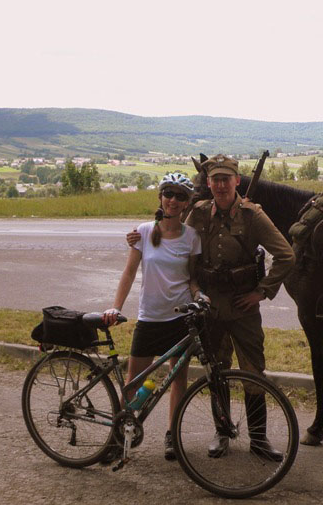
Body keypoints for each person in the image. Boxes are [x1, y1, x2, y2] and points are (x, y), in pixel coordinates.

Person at [185, 154, 295, 461]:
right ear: (208, 183)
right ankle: (222, 434)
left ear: (236, 181)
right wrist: (195, 290)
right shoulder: (198, 214)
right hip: (211, 309)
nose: (220, 186)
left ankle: (258, 439)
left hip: (243, 308)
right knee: (215, 371)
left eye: (226, 179)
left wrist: (262, 292)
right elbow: (184, 255)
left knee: (253, 371)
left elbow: (286, 256)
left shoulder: (252, 216)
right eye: (215, 180)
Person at [103, 173, 201, 461]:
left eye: (180, 196)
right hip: (149, 319)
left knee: (177, 380)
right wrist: (116, 307)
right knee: (133, 382)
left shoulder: (192, 237)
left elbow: (192, 279)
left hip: (179, 319)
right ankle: (116, 435)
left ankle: (172, 435)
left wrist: (199, 297)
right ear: (160, 197)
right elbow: (129, 273)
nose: (173, 200)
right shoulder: (144, 232)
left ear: (187, 204)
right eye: (168, 193)